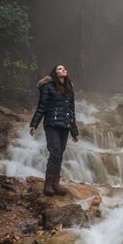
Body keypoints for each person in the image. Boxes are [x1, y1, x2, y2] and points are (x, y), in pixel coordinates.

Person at [29, 64, 79, 196]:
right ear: (54, 73)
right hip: (51, 124)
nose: (63, 70)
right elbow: (42, 107)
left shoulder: (69, 89)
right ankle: (48, 184)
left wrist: (74, 132)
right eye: (59, 69)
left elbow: (71, 111)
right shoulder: (48, 87)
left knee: (60, 153)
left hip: (65, 126)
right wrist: (34, 124)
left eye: (64, 68)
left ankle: (56, 183)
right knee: (55, 152)